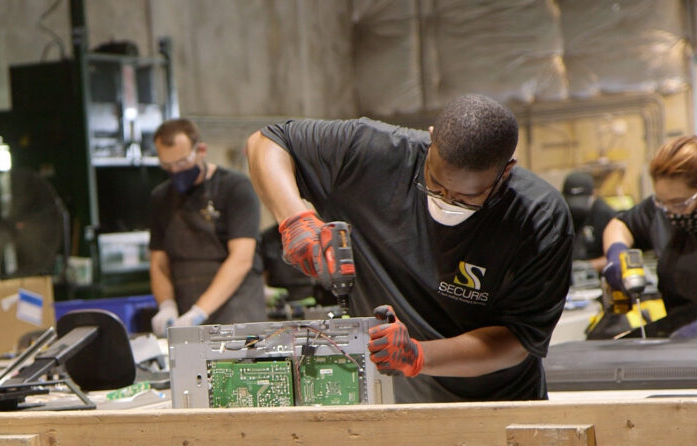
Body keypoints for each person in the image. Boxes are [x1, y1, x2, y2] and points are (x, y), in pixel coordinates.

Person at [246, 94, 574, 402]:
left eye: (466, 198)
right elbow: (268, 141)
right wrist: (295, 218)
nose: (447, 201)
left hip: (496, 404)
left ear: (506, 171)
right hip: (389, 399)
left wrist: (418, 356)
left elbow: (517, 341)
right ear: (430, 139)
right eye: (435, 185)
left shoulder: (538, 219)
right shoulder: (370, 153)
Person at [148, 118, 266, 335]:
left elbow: (241, 259)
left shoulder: (235, 188)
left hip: (237, 311)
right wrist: (166, 305)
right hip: (186, 311)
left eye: (182, 163)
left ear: (201, 150)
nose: (176, 171)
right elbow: (158, 264)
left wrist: (199, 312)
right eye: (168, 166)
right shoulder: (160, 198)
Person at [602, 132, 697, 337]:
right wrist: (616, 256)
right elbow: (620, 225)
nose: (670, 213)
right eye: (662, 203)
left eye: (680, 203)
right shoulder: (663, 211)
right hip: (678, 339)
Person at [562, 171, 617, 272]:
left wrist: (590, 266)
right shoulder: (561, 214)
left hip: (597, 275)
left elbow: (616, 256)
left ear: (594, 194)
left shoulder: (605, 215)